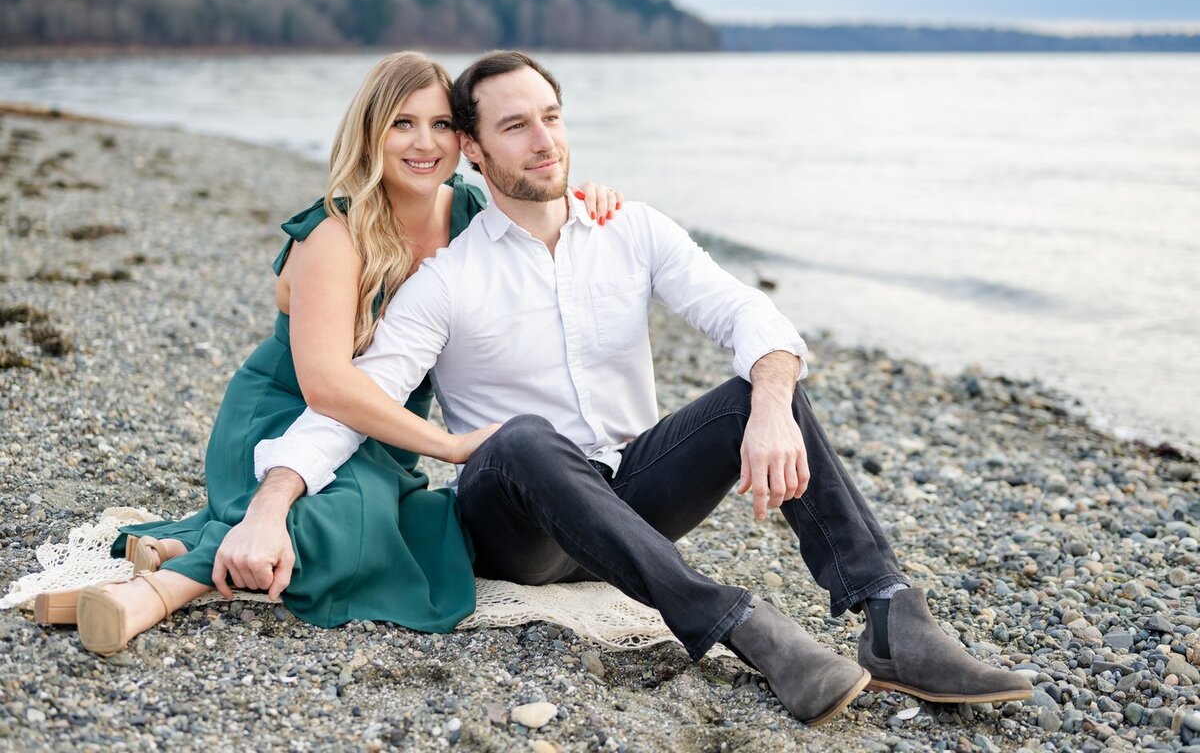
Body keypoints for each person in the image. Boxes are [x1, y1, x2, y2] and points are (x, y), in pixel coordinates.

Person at [252, 51, 1034, 727]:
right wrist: (272, 503)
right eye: (515, 126)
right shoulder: (445, 282)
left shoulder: (632, 230)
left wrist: (768, 406)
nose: (544, 140)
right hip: (519, 527)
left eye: (550, 117)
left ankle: (894, 619)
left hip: (630, 501)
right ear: (473, 154)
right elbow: (354, 404)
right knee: (522, 436)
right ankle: (738, 624)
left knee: (765, 386)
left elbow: (746, 312)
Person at [31, 51, 622, 655]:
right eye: (402, 123)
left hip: (385, 430)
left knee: (421, 528)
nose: (425, 144)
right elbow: (327, 389)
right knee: (352, 524)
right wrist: (448, 446)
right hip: (288, 417)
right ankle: (159, 592)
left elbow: (540, 198)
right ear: (371, 132)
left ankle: (186, 544)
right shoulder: (336, 235)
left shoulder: (473, 215)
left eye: (441, 124)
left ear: (466, 139)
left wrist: (587, 199)